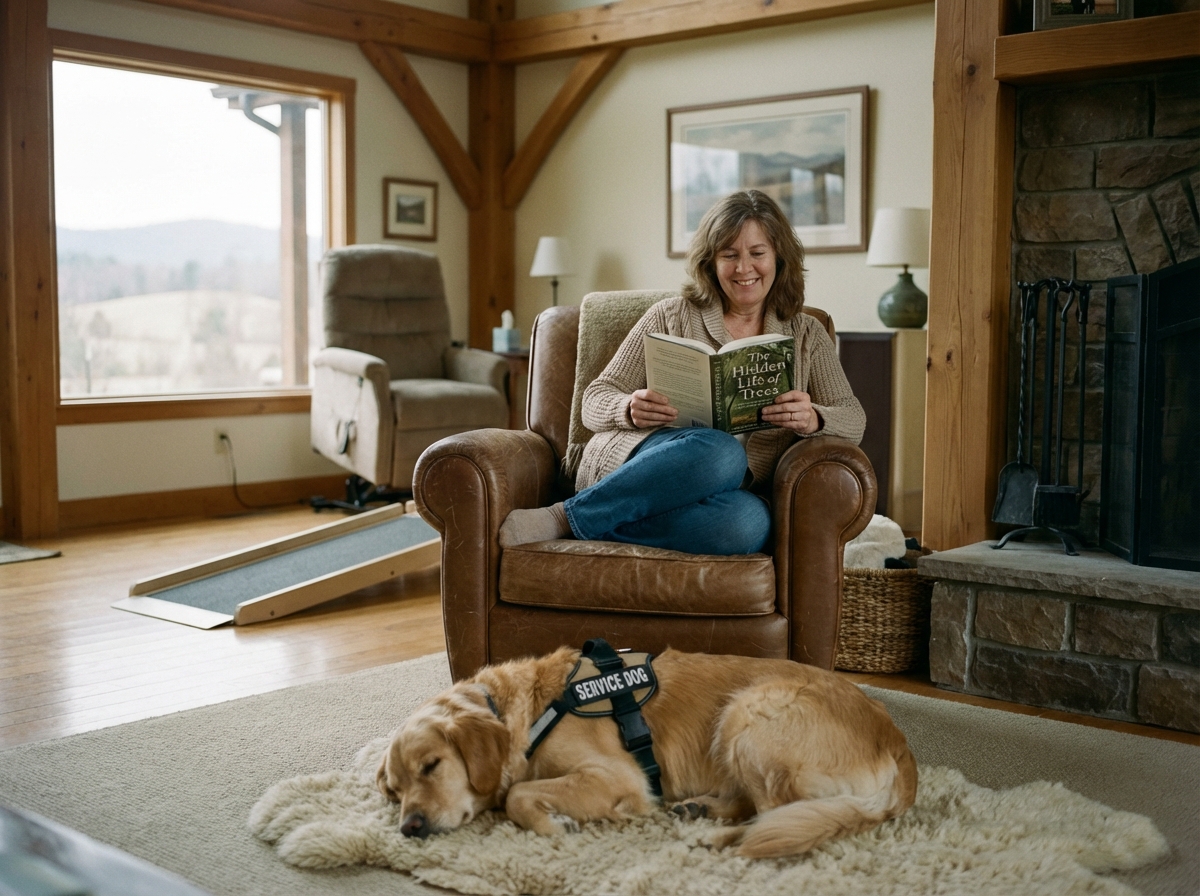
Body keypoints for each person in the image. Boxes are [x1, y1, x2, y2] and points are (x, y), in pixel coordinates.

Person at [499, 189, 865, 555]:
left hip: (730, 493)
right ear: (711, 261)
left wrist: (814, 418)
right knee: (722, 452)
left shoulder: (805, 333)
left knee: (748, 524)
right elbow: (593, 400)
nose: (743, 268)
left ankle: (589, 525)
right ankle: (565, 516)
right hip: (650, 457)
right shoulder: (670, 315)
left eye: (757, 254)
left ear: (779, 258)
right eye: (729, 255)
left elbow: (853, 418)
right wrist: (627, 407)